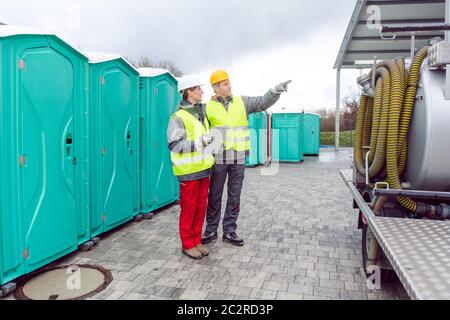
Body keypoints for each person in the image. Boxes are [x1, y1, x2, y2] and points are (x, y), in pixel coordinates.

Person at [201, 69, 291, 246]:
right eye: (225, 84)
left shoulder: (242, 102)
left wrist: (275, 90)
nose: (229, 86)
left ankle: (230, 231)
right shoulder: (206, 107)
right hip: (219, 158)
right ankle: (211, 230)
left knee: (234, 196)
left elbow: (262, 102)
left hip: (239, 158)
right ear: (216, 88)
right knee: (214, 195)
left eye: (229, 82)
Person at [167, 75, 215, 260]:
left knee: (200, 208)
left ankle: (196, 241)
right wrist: (200, 142)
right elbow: (175, 145)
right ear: (189, 92)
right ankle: (187, 244)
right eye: (199, 89)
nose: (202, 92)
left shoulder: (200, 114)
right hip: (188, 172)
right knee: (189, 209)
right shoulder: (179, 117)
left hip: (203, 169)